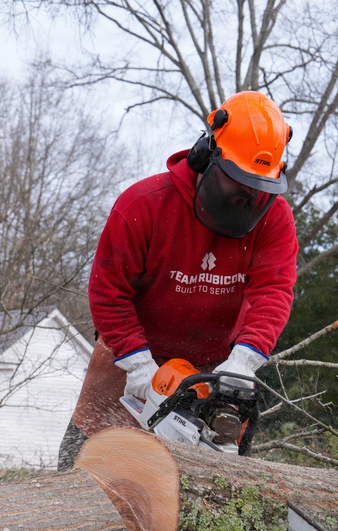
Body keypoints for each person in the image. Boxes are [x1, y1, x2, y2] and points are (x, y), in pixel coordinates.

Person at [57, 90, 299, 470]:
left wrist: (244, 361)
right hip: (129, 353)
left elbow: (274, 290)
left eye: (259, 186)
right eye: (238, 181)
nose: (247, 195)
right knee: (84, 464)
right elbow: (108, 294)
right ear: (207, 155)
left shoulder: (274, 219)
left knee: (220, 481)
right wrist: (137, 367)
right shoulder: (143, 205)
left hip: (218, 361)